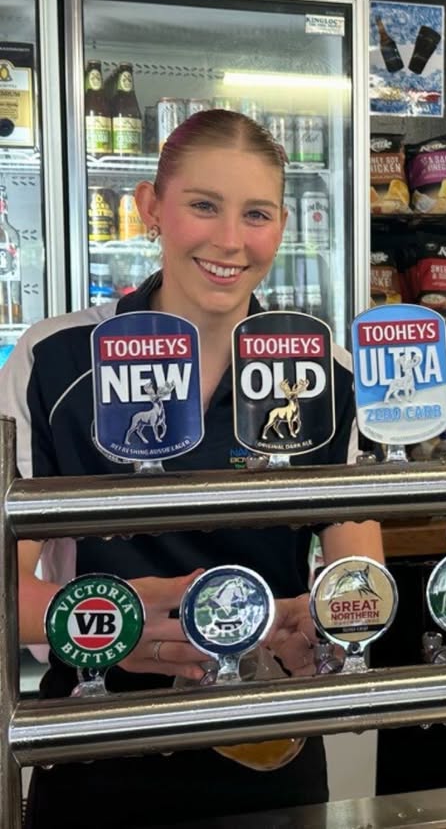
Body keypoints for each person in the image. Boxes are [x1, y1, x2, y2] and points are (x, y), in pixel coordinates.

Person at [0, 109, 384, 828]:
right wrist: (110, 620)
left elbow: (356, 577)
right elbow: (4, 591)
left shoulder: (324, 374)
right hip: (97, 739)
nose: (231, 241)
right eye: (203, 205)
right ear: (152, 207)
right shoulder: (55, 360)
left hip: (269, 746)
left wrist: (330, 631)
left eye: (258, 213)